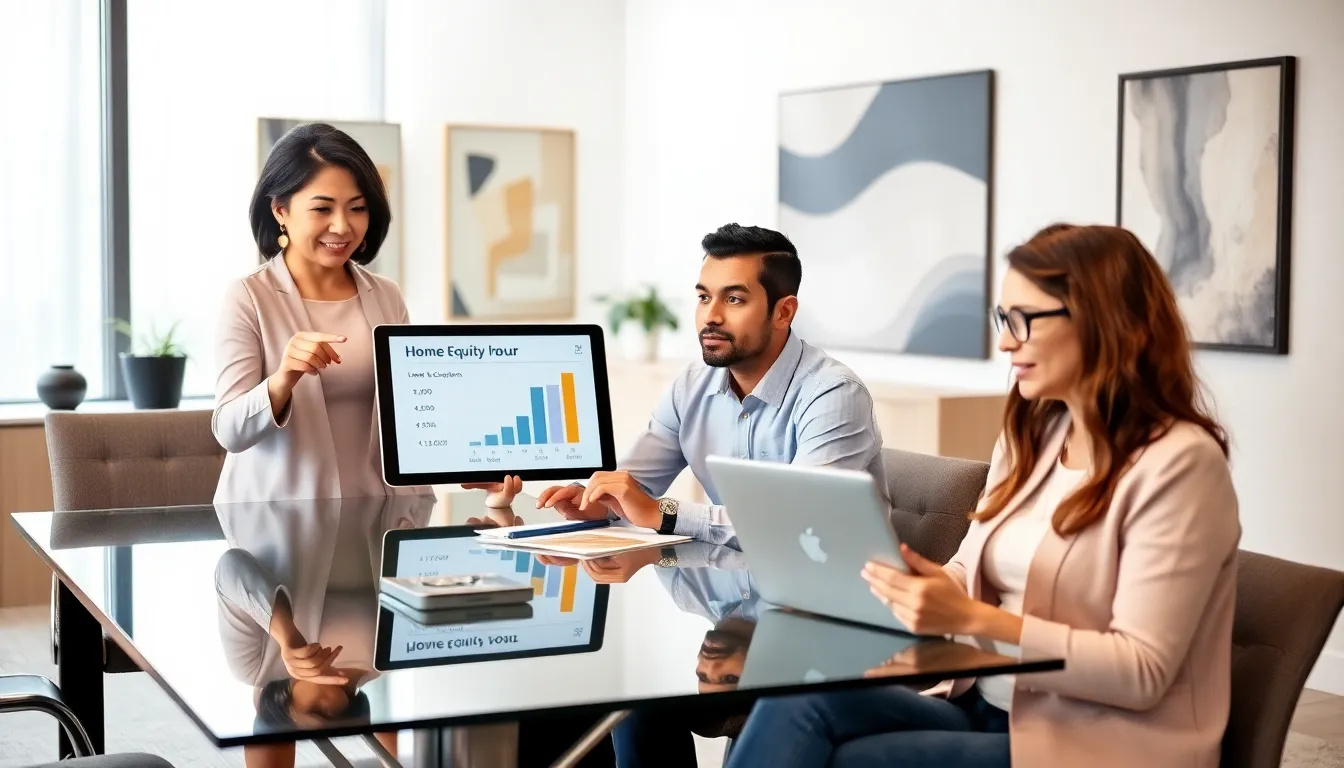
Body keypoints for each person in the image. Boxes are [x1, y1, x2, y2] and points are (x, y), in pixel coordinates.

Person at [723, 223, 1240, 768]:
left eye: (1023, 320)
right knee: (795, 702)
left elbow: (1142, 672)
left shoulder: (1180, 464)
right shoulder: (1036, 436)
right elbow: (973, 564)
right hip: (989, 704)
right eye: (1002, 318)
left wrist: (971, 619)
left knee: (854, 758)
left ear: (1104, 323)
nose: (1004, 341)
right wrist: (926, 586)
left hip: (1098, 741)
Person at [478, 222, 887, 545]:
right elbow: (633, 488)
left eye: (734, 299)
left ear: (784, 312)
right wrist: (594, 502)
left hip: (834, 607)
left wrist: (662, 512)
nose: (711, 316)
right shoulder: (692, 385)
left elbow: (796, 525)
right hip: (738, 595)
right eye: (704, 297)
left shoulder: (833, 395)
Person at [212, 122, 419, 503]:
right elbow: (229, 430)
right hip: (277, 521)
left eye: (357, 208)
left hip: (378, 514)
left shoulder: (386, 295)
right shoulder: (248, 297)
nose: (342, 226)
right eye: (323, 208)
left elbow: (413, 417)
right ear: (280, 210)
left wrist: (477, 474)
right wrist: (283, 378)